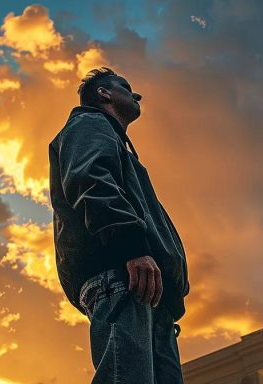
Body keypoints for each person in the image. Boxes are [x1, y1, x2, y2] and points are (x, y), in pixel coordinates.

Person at [49, 67, 189, 383]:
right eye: (126, 87)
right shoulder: (89, 123)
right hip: (122, 275)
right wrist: (132, 247)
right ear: (104, 93)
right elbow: (91, 180)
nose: (136, 94)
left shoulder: (114, 141)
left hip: (148, 290)